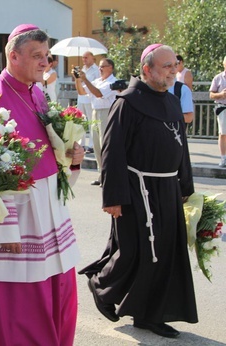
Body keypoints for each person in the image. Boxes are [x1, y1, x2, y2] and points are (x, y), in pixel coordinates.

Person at [0, 24, 84, 346]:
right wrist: (5, 231)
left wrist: (71, 154)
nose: (44, 63)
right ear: (13, 55)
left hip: (50, 212)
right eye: (36, 56)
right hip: (18, 223)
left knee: (58, 300)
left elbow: (51, 151)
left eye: (46, 56)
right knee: (23, 311)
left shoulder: (37, 91)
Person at [78, 44, 198, 339]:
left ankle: (148, 315)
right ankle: (101, 286)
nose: (173, 70)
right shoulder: (128, 102)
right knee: (134, 251)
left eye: (174, 65)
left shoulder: (171, 100)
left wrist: (185, 186)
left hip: (167, 187)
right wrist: (114, 197)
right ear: (147, 69)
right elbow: (112, 152)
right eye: (166, 66)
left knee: (165, 252)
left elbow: (180, 147)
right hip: (137, 189)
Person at [74, 58, 118, 186]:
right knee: (97, 145)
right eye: (99, 66)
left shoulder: (112, 82)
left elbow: (98, 93)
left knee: (105, 144)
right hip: (95, 111)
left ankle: (109, 175)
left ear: (111, 67)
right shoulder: (97, 81)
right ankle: (101, 174)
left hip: (106, 112)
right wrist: (78, 79)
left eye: (103, 66)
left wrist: (85, 79)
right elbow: (82, 92)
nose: (100, 69)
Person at [77, 51, 100, 153]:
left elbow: (97, 84)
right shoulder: (82, 69)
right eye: (83, 58)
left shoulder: (96, 70)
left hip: (90, 99)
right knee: (80, 122)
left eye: (86, 57)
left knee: (91, 122)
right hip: (81, 98)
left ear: (92, 58)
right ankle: (80, 143)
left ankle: (91, 144)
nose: (84, 60)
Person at [209, 55, 226, 168]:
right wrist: (221, 94)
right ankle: (223, 158)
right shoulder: (218, 78)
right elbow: (211, 94)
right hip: (222, 107)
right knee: (223, 133)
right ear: (224, 64)